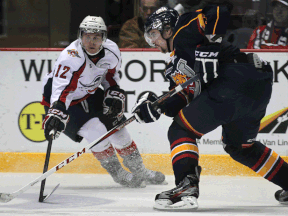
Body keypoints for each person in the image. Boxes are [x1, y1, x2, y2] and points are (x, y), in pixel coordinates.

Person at [132, 3, 288, 210]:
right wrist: (156, 107)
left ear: (167, 29)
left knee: (181, 129)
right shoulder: (175, 66)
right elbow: (183, 97)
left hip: (235, 77)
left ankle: (186, 187)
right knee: (241, 147)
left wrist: (210, 47)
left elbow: (218, 11)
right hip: (256, 85)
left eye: (154, 34)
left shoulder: (183, 28)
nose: (153, 41)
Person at [41, 15, 166, 188]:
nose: (91, 42)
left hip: (89, 93)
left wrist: (113, 91)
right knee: (96, 132)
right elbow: (62, 89)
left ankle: (139, 170)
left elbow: (110, 77)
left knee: (119, 131)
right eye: (87, 37)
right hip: (63, 101)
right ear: (80, 36)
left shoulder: (112, 51)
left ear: (103, 38)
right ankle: (118, 173)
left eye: (96, 37)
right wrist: (57, 110)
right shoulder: (70, 57)